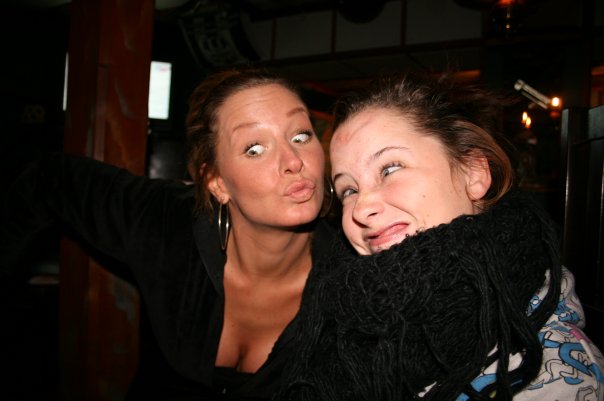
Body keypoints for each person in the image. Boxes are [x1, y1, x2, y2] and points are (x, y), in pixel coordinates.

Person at [0, 67, 337, 400]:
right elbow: (48, 180)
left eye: (300, 136)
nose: (293, 161)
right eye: (254, 149)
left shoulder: (351, 278)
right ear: (217, 182)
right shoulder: (166, 222)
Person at [277, 72, 604, 401]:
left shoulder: (554, 376)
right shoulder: (335, 302)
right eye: (349, 189)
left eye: (390, 168)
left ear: (474, 172)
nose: (362, 208)